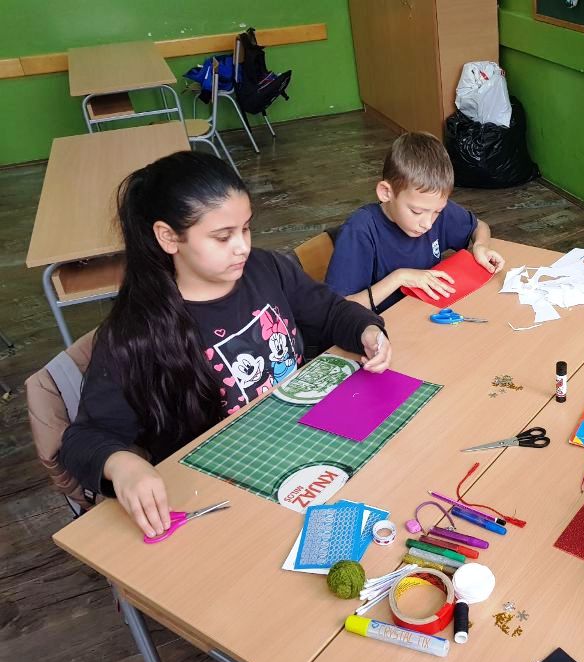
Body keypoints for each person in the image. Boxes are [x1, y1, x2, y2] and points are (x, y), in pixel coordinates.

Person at [60, 151, 391, 538]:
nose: (242, 247)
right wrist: (122, 465)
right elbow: (84, 439)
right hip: (225, 492)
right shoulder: (137, 334)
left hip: (307, 445)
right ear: (169, 237)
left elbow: (331, 311)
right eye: (223, 237)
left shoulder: (266, 269)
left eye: (246, 229)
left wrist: (367, 330)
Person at [324, 131, 505, 312]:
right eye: (416, 212)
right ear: (386, 193)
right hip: (384, 324)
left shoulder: (431, 207)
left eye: (437, 212)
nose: (428, 224)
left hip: (424, 314)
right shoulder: (360, 231)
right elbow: (339, 309)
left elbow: (479, 226)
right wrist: (400, 278)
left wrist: (480, 246)